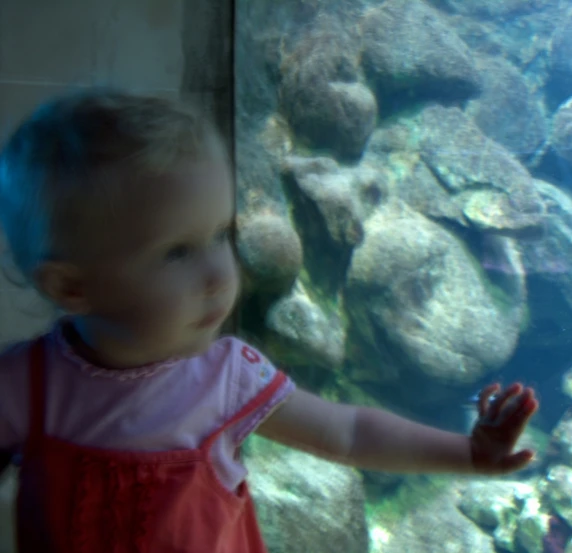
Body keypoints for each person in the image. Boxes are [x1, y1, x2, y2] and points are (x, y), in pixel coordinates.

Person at [0, 88, 538, 552]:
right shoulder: (27, 386)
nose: (220, 272)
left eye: (219, 236)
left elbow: (347, 432)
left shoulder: (225, 379)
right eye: (177, 252)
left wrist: (467, 453)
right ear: (71, 286)